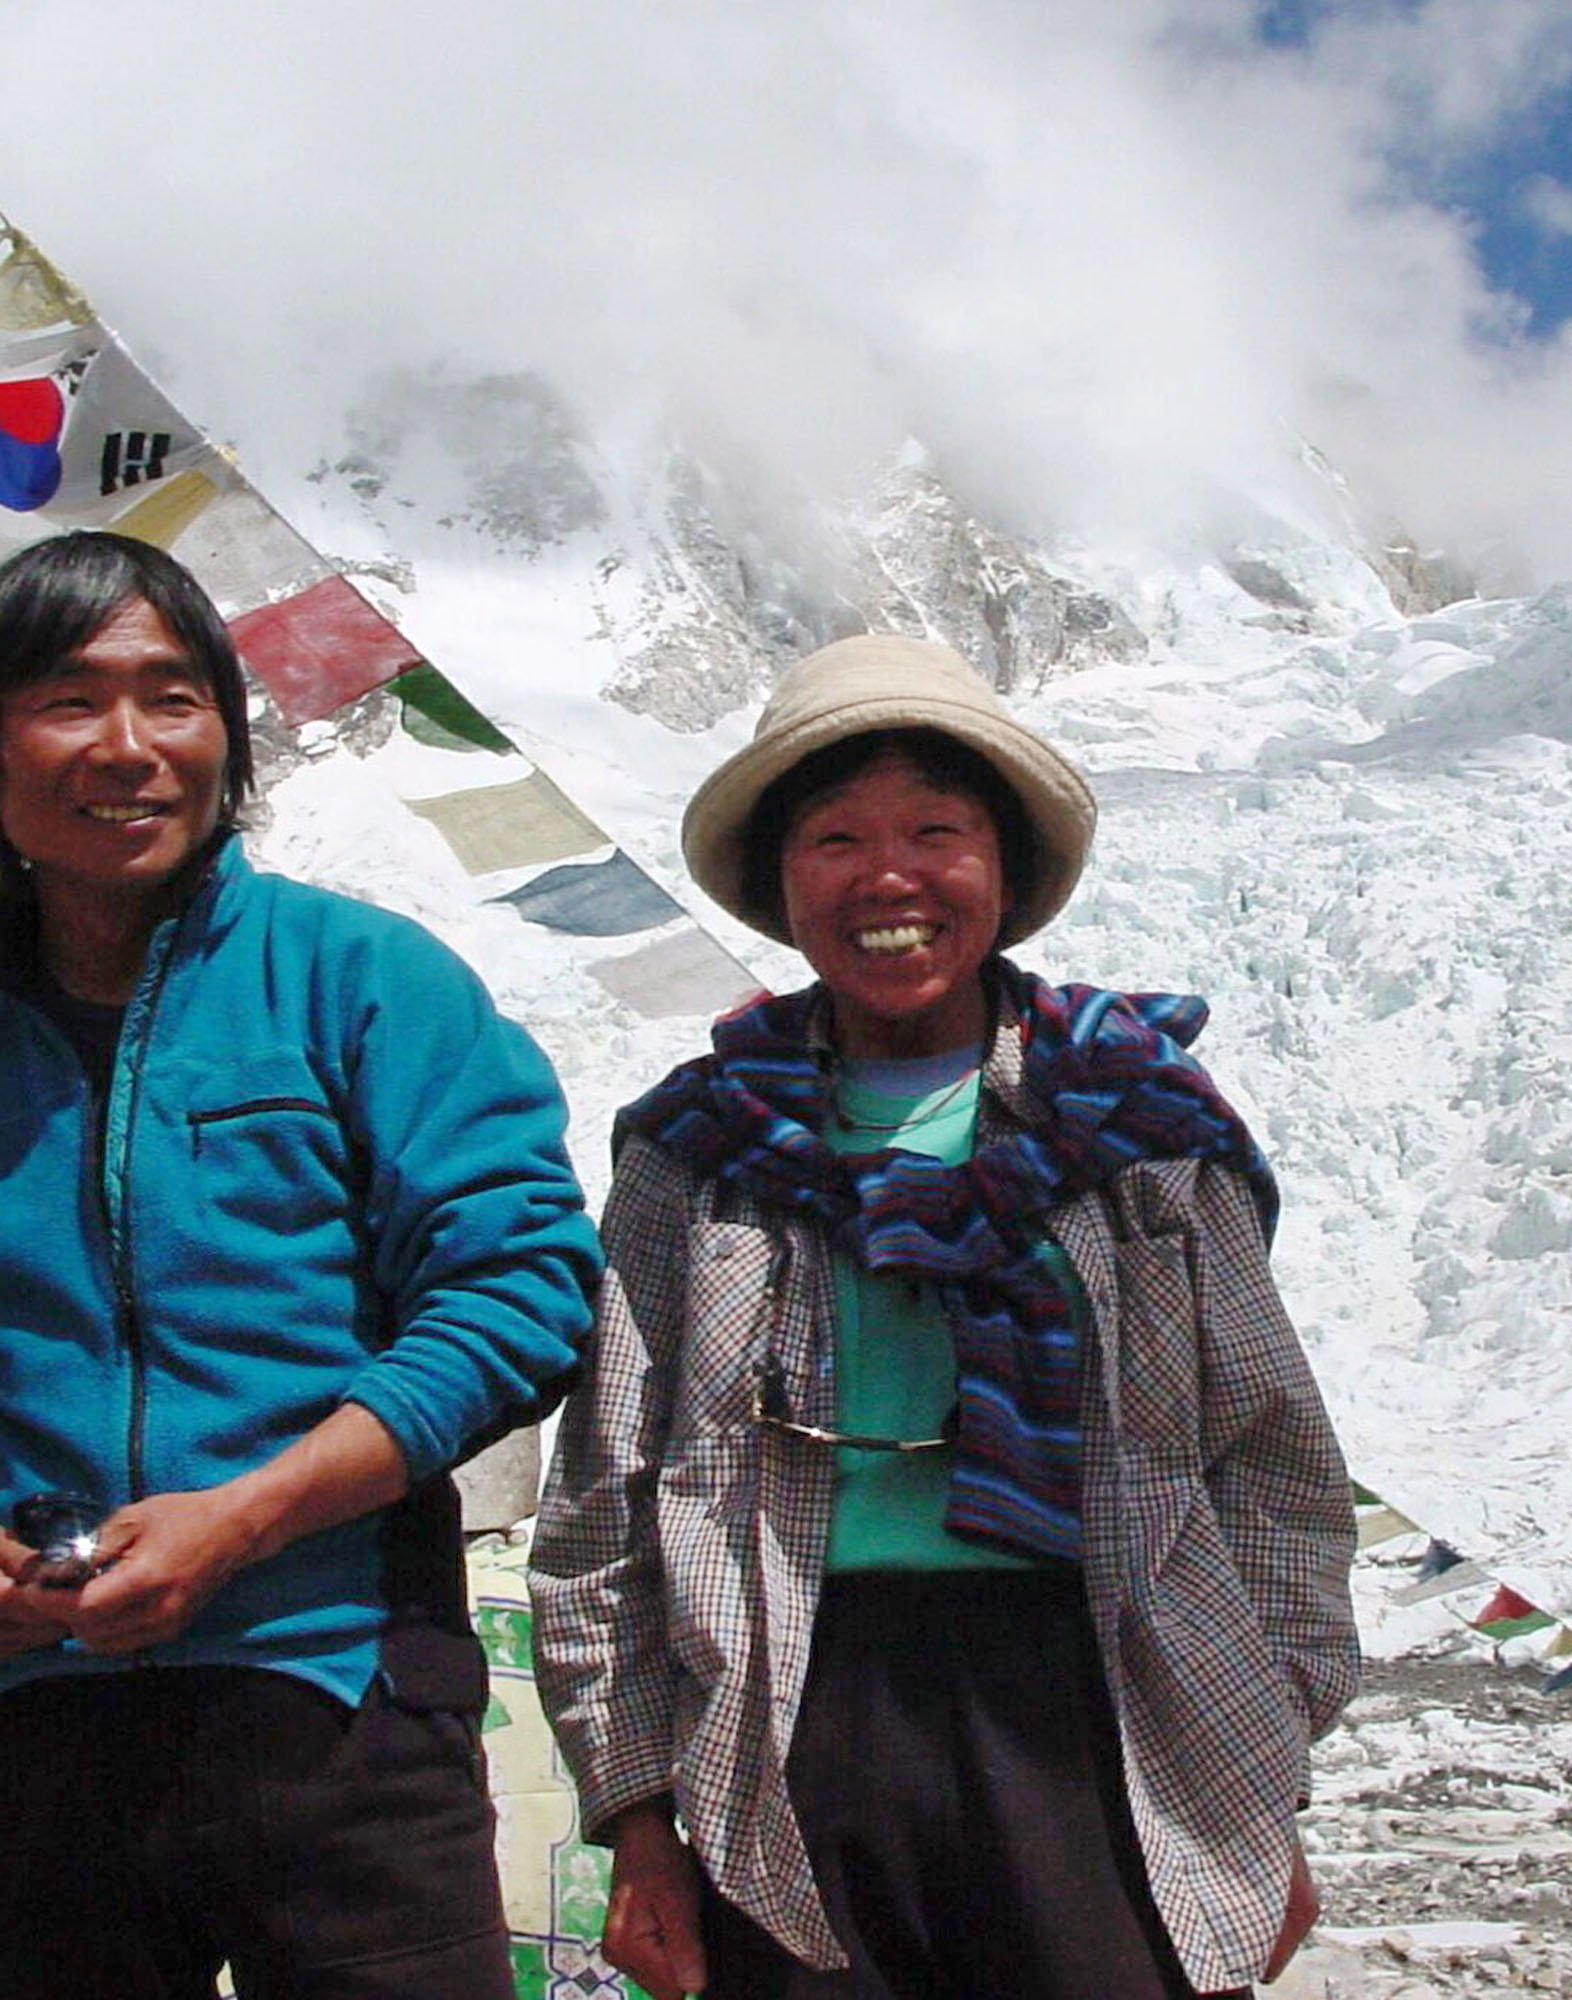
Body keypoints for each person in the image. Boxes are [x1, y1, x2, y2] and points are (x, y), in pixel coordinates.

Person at [528, 633, 1359, 2000]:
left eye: (935, 832)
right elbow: (604, 1499)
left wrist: (1255, 1783)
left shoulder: (1144, 1135)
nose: (889, 878)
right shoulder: (696, 1152)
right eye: (837, 839)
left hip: (1100, 1713)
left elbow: (1268, 1463)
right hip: (779, 1718)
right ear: (783, 885)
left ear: (1004, 871)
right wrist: (636, 1820)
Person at [0, 530, 602, 1999]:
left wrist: (247, 1519)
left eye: (174, 698)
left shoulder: (363, 981)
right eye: (69, 699)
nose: (129, 747)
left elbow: (519, 1288)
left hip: (345, 1693)